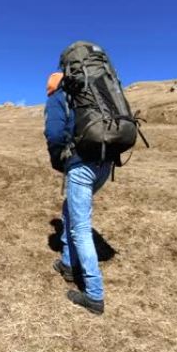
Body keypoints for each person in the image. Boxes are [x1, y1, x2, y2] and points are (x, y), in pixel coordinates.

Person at [44, 72, 112, 315]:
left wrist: (59, 162)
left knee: (80, 227)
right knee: (69, 210)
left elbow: (53, 133)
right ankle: (67, 263)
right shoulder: (91, 93)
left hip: (82, 164)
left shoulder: (58, 96)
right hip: (106, 162)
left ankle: (94, 295)